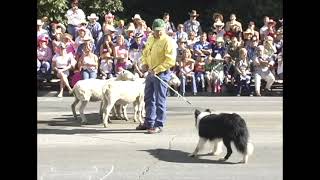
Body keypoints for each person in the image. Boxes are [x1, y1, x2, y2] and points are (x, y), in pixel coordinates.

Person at [136, 19, 176, 134]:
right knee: (148, 98)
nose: (158, 33)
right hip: (150, 72)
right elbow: (145, 53)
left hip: (162, 74)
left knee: (160, 100)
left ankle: (159, 124)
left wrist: (157, 69)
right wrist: (144, 63)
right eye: (156, 30)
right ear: (152, 29)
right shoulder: (150, 38)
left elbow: (170, 60)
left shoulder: (168, 41)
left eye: (160, 30)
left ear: (164, 29)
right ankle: (149, 122)